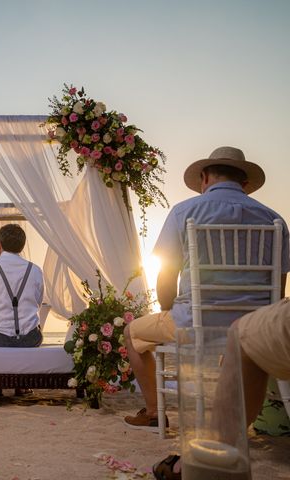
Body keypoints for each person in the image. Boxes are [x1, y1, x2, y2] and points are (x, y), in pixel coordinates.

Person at [123, 146, 290, 431]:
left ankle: (153, 411)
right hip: (252, 329)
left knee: (131, 333)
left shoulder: (184, 212)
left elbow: (166, 276)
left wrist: (168, 310)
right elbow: (280, 285)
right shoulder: (275, 220)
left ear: (204, 178)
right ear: (245, 183)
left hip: (195, 323)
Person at [152, 298, 290, 480]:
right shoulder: (280, 266)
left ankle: (213, 462)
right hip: (257, 305)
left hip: (195, 320)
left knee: (240, 333)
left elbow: (166, 294)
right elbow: (277, 293)